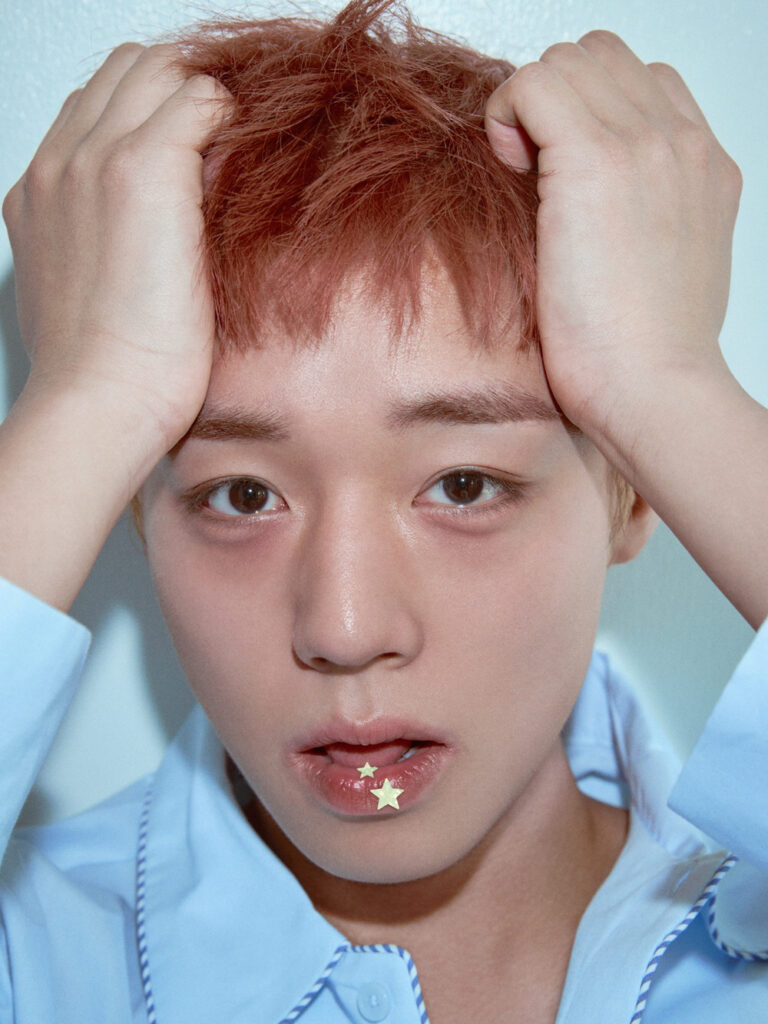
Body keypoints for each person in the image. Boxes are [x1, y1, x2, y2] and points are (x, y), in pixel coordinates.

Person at [1, 0, 766, 1021]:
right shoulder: (39, 960)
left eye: (464, 485)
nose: (346, 627)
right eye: (243, 495)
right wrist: (84, 402)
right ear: (134, 510)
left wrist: (673, 388)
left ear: (638, 490)